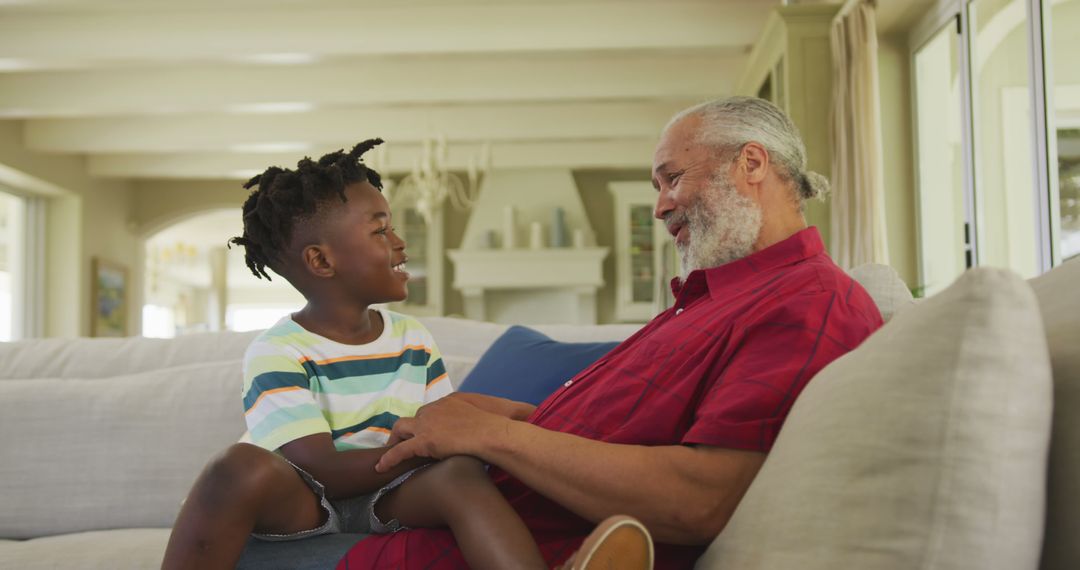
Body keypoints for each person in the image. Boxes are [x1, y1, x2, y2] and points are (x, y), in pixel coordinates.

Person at [324, 96, 886, 569]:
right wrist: (504, 416)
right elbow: (628, 437)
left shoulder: (807, 302)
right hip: (438, 529)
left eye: (673, 178)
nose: (661, 205)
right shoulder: (714, 299)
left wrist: (490, 437)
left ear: (753, 163)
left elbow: (701, 499)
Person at [160, 140, 654, 570]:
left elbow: (442, 420)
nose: (400, 242)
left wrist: (513, 422)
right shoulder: (278, 350)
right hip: (305, 502)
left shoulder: (411, 337)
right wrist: (427, 443)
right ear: (322, 260)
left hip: (385, 495)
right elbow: (323, 471)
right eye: (380, 231)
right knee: (236, 466)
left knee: (459, 475)